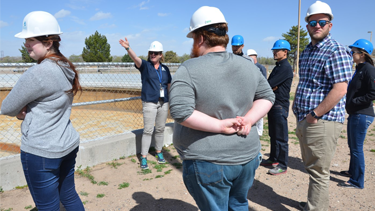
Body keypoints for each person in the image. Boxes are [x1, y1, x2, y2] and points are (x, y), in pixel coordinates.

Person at [169, 6, 275, 210]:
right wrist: (250, 120)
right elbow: (267, 96)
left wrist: (220, 126)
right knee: (238, 204)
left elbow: (181, 111)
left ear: (200, 38)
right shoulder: (248, 65)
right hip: (247, 156)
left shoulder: (188, 68)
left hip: (209, 161)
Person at [0, 11, 84, 210]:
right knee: (69, 195)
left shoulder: (39, 72)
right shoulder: (65, 66)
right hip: (67, 143)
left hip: (42, 151)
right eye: (26, 39)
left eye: (31, 39)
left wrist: (22, 112)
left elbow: (6, 107)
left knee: (47, 206)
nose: (26, 44)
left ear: (48, 43)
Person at [292, 1, 352, 210]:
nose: (317, 26)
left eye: (322, 22)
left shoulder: (335, 50)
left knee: (318, 172)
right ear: (307, 25)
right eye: (313, 22)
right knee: (313, 168)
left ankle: (316, 208)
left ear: (330, 25)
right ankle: (313, 203)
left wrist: (314, 115)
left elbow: (340, 89)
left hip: (322, 121)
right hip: (308, 119)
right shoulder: (309, 50)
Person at [119, 38, 172, 170]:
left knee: (160, 129)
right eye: (151, 53)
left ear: (161, 55)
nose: (153, 55)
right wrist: (127, 48)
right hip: (149, 103)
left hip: (163, 103)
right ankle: (143, 157)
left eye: (156, 53)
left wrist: (170, 99)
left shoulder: (165, 69)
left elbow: (168, 85)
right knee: (148, 130)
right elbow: (135, 57)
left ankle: (159, 153)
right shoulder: (145, 66)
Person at [338, 39, 375, 189]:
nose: (351, 54)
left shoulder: (368, 69)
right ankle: (352, 172)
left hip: (362, 114)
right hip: (355, 113)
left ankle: (357, 181)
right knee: (352, 145)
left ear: (362, 54)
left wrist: (355, 101)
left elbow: (373, 92)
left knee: (356, 148)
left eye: (353, 52)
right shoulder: (359, 69)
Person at [260, 40, 293, 175]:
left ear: (285, 52)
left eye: (277, 50)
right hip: (274, 105)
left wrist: (272, 87)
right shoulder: (278, 66)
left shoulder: (285, 67)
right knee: (273, 134)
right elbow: (269, 85)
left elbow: (269, 84)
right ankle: (273, 158)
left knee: (281, 137)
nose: (274, 52)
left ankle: (282, 165)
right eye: (274, 50)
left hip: (280, 106)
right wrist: (272, 87)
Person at [247, 49, 268, 137]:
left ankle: (259, 132)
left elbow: (264, 82)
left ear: (255, 57)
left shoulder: (260, 67)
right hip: (250, 94)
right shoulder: (248, 66)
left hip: (258, 94)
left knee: (259, 114)